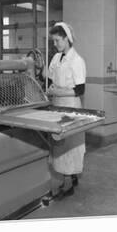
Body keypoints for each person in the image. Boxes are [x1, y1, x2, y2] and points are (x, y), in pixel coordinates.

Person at [45, 22, 87, 197]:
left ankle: (68, 184)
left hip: (70, 107)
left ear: (67, 39)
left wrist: (59, 90)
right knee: (59, 145)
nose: (55, 45)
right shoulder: (56, 58)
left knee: (69, 145)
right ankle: (71, 176)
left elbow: (80, 90)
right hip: (57, 105)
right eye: (53, 41)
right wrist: (49, 88)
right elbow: (49, 78)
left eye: (57, 41)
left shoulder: (77, 61)